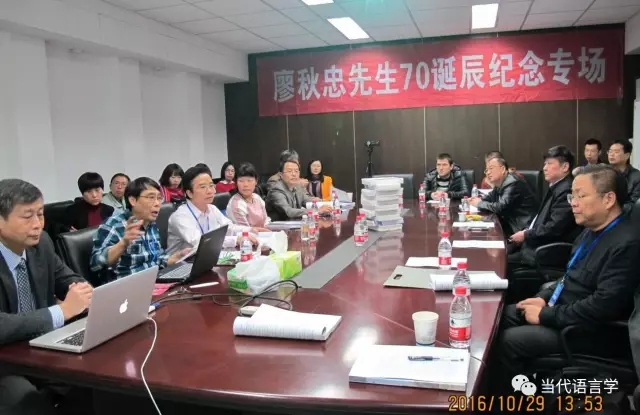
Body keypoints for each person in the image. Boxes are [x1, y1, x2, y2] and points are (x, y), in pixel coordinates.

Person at [495, 165, 640, 392]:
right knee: (500, 317)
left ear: (609, 199)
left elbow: (604, 306)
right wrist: (544, 298)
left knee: (508, 341)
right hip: (565, 310)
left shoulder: (627, 244)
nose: (573, 203)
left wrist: (545, 315)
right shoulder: (591, 230)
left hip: (588, 330)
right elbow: (569, 276)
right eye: (572, 196)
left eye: (581, 196)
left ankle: (514, 401)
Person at [0, 179, 92, 415]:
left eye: (40, 214)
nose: (37, 224)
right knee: (25, 400)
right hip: (5, 359)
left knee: (94, 381)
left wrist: (85, 293)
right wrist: (62, 311)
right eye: (27, 216)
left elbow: (67, 278)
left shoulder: (42, 243)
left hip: (39, 346)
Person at [90, 177, 190, 279]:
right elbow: (96, 265)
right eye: (151, 197)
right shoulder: (114, 225)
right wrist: (123, 243)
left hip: (153, 280)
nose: (157, 203)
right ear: (133, 200)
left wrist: (174, 258)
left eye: (159, 198)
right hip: (127, 285)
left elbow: (156, 259)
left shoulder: (151, 224)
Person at [508, 146, 580, 267]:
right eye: (545, 164)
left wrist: (526, 235)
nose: (544, 168)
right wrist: (526, 232)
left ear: (565, 167)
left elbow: (554, 228)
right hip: (537, 244)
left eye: (549, 164)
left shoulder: (566, 190)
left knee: (501, 261)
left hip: (545, 251)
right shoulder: (556, 186)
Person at [167, 166, 261, 252]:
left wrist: (251, 230)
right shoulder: (180, 216)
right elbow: (199, 242)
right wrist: (236, 240)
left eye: (211, 185)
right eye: (203, 187)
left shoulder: (212, 209)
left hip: (210, 256)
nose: (210, 191)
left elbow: (229, 228)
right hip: (183, 263)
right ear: (189, 193)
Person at [469, 156, 537, 239]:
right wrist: (475, 200)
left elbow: (500, 207)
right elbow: (491, 197)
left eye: (491, 168)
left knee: (485, 237)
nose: (488, 173)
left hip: (520, 230)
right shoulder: (501, 182)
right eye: (486, 170)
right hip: (508, 223)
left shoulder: (513, 183)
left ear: (503, 169)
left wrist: (479, 204)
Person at [266, 158, 331, 221]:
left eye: (296, 171)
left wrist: (326, 205)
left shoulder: (297, 186)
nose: (294, 174)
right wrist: (316, 211)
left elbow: (307, 200)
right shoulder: (276, 190)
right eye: (289, 171)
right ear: (281, 175)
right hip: (277, 225)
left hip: (294, 223)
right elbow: (289, 212)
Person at [227, 163, 271, 228]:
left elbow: (266, 220)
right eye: (241, 181)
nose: (245, 185)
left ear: (256, 181)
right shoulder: (236, 204)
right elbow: (246, 230)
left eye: (249, 180)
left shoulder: (257, 197)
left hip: (264, 232)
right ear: (236, 183)